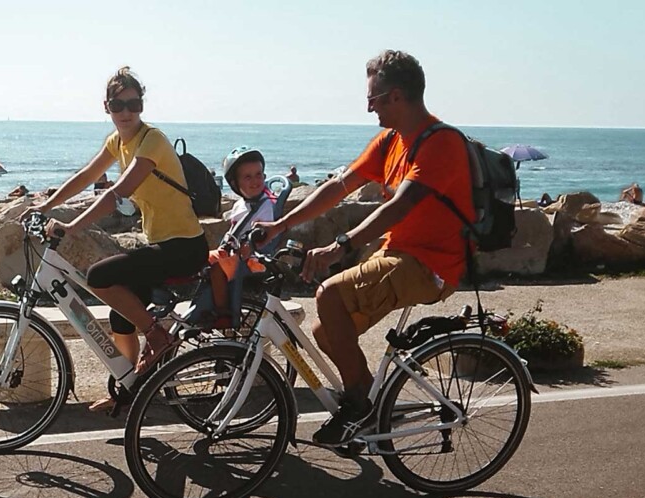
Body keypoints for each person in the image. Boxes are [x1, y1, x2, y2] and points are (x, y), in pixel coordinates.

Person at [255, 50, 470, 447]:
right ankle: (372, 403)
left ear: (397, 96)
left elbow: (399, 206)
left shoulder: (441, 144)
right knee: (325, 331)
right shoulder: (390, 141)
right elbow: (338, 188)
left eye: (373, 98)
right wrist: (280, 225)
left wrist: (341, 245)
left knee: (330, 294)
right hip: (397, 256)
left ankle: (362, 406)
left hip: (429, 265)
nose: (368, 106)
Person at [30, 66, 207, 412]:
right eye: (118, 105)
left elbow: (117, 193)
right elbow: (87, 175)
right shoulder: (116, 141)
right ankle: (128, 389)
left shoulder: (152, 140)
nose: (126, 112)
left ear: (141, 105)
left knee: (99, 276)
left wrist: (72, 227)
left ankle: (157, 336)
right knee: (121, 316)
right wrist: (47, 204)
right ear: (106, 107)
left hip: (184, 246)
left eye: (133, 104)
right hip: (161, 243)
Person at [202, 146, 279, 325]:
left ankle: (223, 313)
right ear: (235, 183)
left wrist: (248, 246)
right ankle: (208, 302)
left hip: (253, 259)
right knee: (203, 260)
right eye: (248, 177)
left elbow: (263, 235)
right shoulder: (241, 205)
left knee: (216, 269)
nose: (255, 181)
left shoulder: (266, 206)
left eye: (259, 174)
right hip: (239, 254)